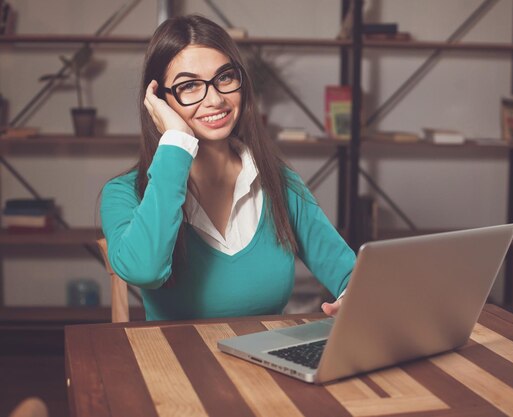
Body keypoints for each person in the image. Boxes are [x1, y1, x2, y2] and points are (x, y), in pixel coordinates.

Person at [99, 14, 355, 321]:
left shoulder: (279, 183)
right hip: (174, 364)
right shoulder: (124, 193)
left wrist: (354, 297)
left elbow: (349, 274)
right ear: (157, 100)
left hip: (268, 361)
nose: (216, 99)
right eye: (190, 86)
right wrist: (177, 141)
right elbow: (144, 271)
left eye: (225, 78)